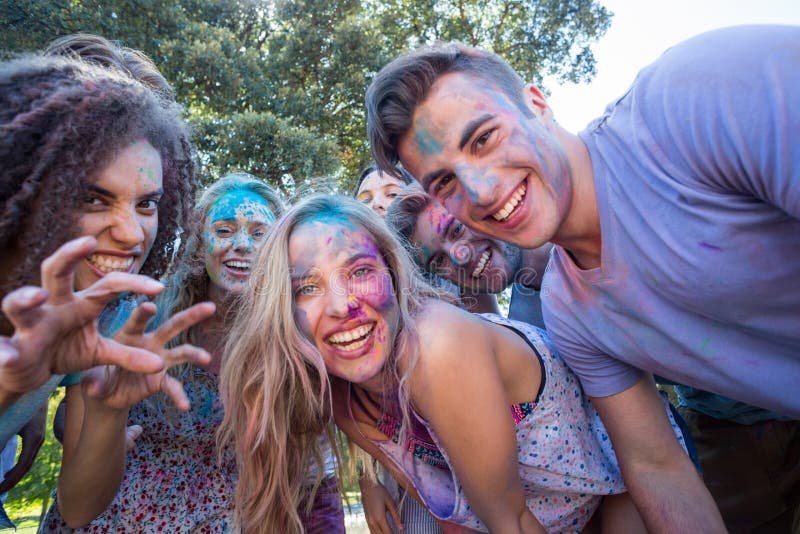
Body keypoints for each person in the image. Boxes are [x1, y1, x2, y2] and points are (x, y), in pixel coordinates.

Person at [366, 25, 800, 530]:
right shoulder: (569, 313)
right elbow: (656, 465)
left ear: (538, 103)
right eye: (445, 182)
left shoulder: (692, 98)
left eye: (484, 138)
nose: (480, 191)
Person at [220, 195, 698, 533]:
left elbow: (508, 522)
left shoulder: (438, 345)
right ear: (284, 310)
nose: (342, 304)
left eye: (359, 271)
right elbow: (453, 511)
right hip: (544, 513)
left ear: (394, 274)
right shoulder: (343, 394)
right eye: (308, 286)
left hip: (614, 482)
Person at [0, 55, 211, 526]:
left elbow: (77, 508)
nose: (133, 234)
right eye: (93, 198)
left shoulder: (103, 310)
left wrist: (106, 413)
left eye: (146, 204)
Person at [386, 185, 550, 327]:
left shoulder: (571, 239)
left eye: (456, 230)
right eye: (440, 261)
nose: (460, 258)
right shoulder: (529, 327)